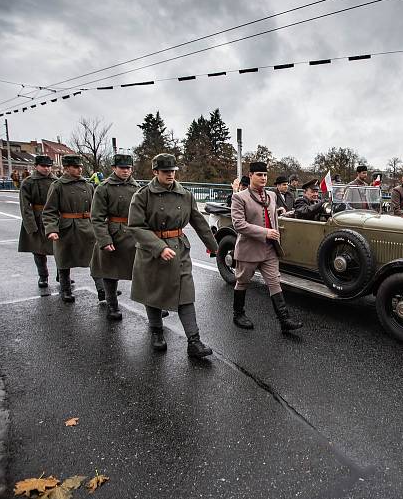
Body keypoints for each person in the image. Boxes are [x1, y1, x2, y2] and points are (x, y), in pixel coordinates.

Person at [128, 153, 219, 358]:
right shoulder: (143, 195)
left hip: (179, 249)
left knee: (185, 293)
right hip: (152, 251)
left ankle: (194, 341)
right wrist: (159, 247)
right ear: (155, 172)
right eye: (165, 172)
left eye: (173, 171)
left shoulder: (185, 194)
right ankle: (157, 332)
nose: (170, 175)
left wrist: (214, 246)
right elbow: (135, 226)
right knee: (153, 293)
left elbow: (199, 222)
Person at [230, 162, 302, 333]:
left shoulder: (271, 195)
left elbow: (271, 216)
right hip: (249, 249)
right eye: (259, 175)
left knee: (274, 282)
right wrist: (265, 232)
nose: (263, 178)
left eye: (265, 175)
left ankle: (284, 320)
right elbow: (238, 224)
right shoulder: (240, 197)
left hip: (270, 250)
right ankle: (238, 314)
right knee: (242, 282)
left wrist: (281, 214)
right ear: (251, 175)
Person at [42, 154, 105, 303]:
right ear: (66, 168)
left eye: (81, 166)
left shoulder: (88, 185)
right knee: (64, 260)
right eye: (76, 167)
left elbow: (96, 209)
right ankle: (65, 290)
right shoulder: (57, 186)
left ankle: (102, 290)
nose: (79, 169)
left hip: (87, 227)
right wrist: (52, 229)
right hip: (66, 227)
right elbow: (49, 210)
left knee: (95, 260)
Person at [90, 154, 140, 320]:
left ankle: (152, 305)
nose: (126, 171)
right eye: (122, 168)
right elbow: (97, 217)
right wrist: (104, 239)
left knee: (143, 271)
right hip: (114, 234)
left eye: (129, 168)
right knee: (110, 272)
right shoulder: (103, 188)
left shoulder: (137, 187)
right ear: (114, 168)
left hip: (134, 233)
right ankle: (112, 305)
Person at [18, 155, 56, 287]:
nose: (47, 169)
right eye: (44, 166)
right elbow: (25, 206)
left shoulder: (56, 181)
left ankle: (62, 275)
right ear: (36, 166)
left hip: (55, 218)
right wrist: (30, 225)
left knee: (60, 249)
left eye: (49, 166)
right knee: (38, 250)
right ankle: (43, 276)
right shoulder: (28, 182)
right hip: (37, 217)